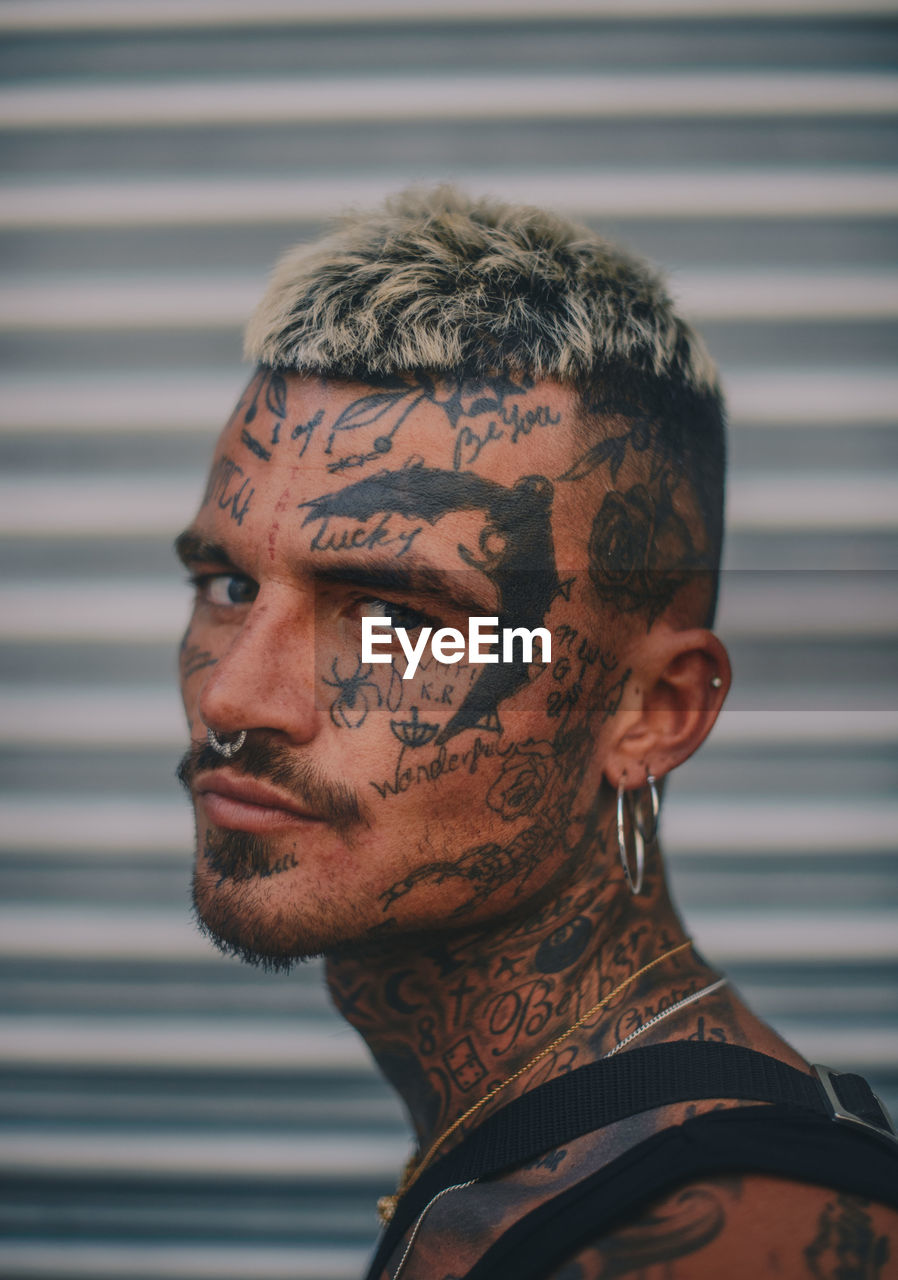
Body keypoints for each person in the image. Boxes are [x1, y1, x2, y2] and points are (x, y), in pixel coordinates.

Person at [175, 188, 897, 1279]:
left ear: (654, 711)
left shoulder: (743, 1237)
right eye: (229, 581)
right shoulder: (531, 1159)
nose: (234, 696)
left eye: (396, 614)